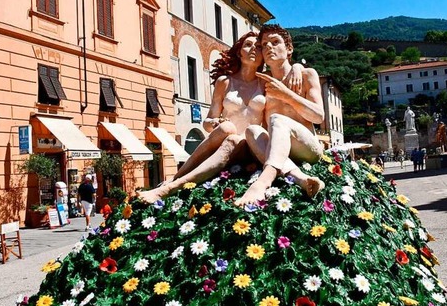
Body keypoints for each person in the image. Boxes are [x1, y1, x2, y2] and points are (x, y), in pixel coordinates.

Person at [138, 32, 306, 204]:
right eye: (247, 45)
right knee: (228, 131)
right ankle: (176, 178)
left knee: (234, 137)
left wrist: (297, 67)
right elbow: (208, 121)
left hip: (252, 143)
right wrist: (215, 122)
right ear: (239, 52)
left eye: (257, 46)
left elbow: (285, 70)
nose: (253, 49)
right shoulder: (224, 82)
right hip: (226, 140)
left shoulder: (265, 83)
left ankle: (170, 187)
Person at [238, 24, 325, 205]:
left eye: (275, 42)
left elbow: (319, 116)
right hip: (277, 152)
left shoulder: (307, 75)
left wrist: (287, 94)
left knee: (277, 119)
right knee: (252, 130)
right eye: (264, 44)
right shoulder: (261, 82)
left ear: (289, 48)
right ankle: (301, 179)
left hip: (307, 148)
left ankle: (262, 183)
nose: (269, 47)